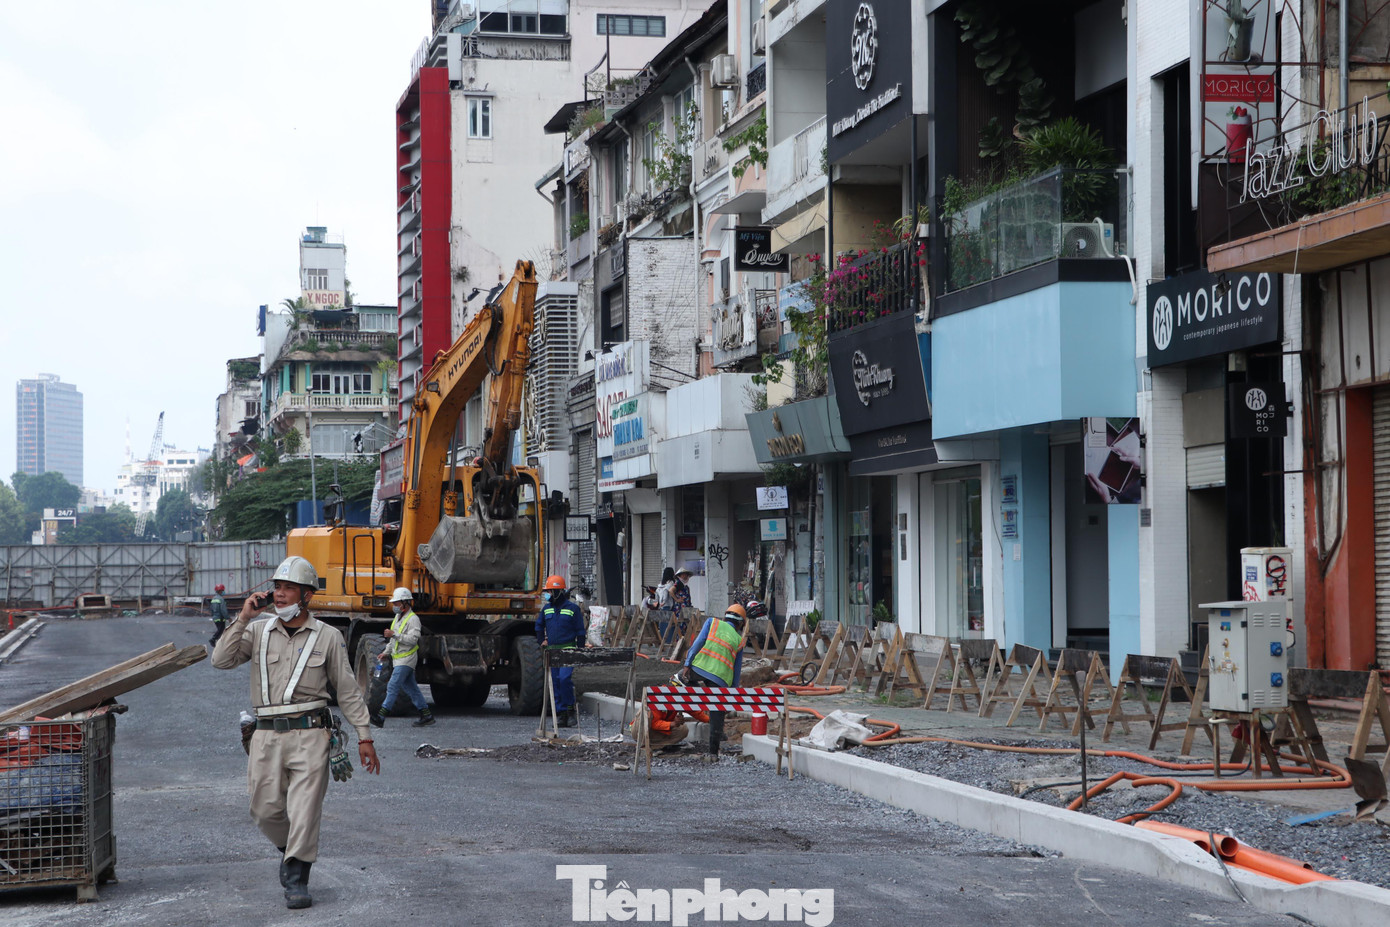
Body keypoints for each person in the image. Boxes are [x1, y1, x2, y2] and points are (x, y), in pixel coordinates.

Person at [211, 555, 380, 910]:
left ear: (307, 596)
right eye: (277, 587)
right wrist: (243, 618)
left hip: (311, 734)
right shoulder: (257, 631)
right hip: (265, 735)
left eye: (289, 588)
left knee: (304, 810)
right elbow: (221, 660)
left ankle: (297, 877)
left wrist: (364, 735)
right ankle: (291, 852)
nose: (280, 594)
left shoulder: (329, 637)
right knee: (264, 809)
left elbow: (347, 690)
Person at [680, 603, 747, 755]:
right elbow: (736, 672)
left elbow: (698, 643)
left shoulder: (712, 623)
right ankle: (713, 753)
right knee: (717, 715)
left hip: (700, 669)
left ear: (725, 616)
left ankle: (701, 698)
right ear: (741, 624)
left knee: (679, 678)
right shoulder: (739, 640)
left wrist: (687, 664)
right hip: (721, 680)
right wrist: (731, 696)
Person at [369, 588, 434, 728]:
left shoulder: (413, 619)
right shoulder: (398, 618)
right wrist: (386, 652)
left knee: (393, 685)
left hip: (407, 659)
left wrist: (394, 634)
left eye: (397, 603)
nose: (395, 606)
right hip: (399, 659)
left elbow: (413, 640)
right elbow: (393, 641)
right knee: (411, 688)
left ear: (405, 603)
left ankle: (380, 717)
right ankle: (426, 714)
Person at [535, 575, 586, 727]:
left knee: (564, 679)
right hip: (552, 652)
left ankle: (570, 710)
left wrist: (580, 651)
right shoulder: (546, 609)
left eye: (550, 591)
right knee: (555, 682)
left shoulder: (573, 609)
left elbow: (580, 631)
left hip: (568, 651)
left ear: (558, 592)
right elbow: (538, 626)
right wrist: (541, 640)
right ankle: (561, 714)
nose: (548, 594)